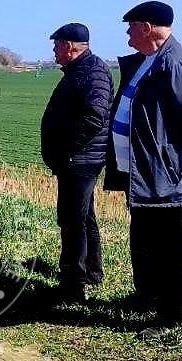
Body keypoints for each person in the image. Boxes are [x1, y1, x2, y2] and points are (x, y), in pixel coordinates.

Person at [103, 0, 182, 333]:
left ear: (146, 28)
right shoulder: (148, 60)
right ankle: (147, 295)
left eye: (131, 28)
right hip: (141, 169)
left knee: (169, 244)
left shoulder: (175, 63)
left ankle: (173, 314)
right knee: (144, 238)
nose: (127, 35)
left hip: (163, 172)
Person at [40, 22, 112, 303]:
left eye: (56, 45)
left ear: (69, 46)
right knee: (82, 216)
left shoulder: (93, 71)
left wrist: (66, 149)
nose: (53, 51)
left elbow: (95, 116)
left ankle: (73, 285)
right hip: (77, 158)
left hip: (81, 159)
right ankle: (92, 272)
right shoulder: (79, 70)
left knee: (72, 221)